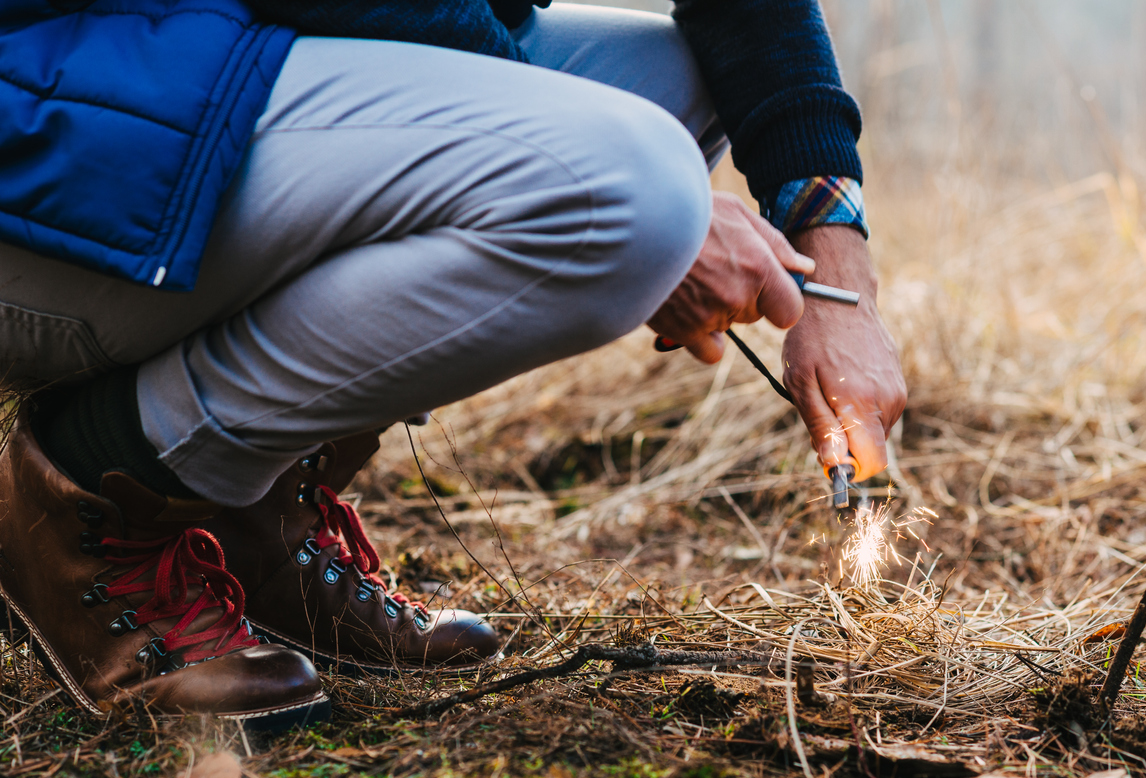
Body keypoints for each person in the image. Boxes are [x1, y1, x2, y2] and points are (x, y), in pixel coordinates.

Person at [0, 0, 906, 728]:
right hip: (51, 124)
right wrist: (631, 202)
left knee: (668, 91)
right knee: (631, 177)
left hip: (192, 61)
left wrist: (839, 280)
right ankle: (97, 478)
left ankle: (247, 502)